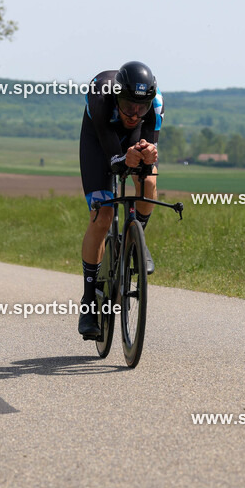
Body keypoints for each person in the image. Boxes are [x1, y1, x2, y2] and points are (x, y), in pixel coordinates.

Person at [78, 61, 162, 338]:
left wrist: (148, 153)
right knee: (102, 216)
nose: (134, 113)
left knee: (148, 180)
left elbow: (149, 144)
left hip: (130, 141)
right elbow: (112, 155)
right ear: (118, 95)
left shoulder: (154, 104)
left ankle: (136, 239)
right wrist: (123, 158)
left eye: (142, 107)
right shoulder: (100, 93)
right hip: (100, 142)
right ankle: (89, 300)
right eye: (128, 105)